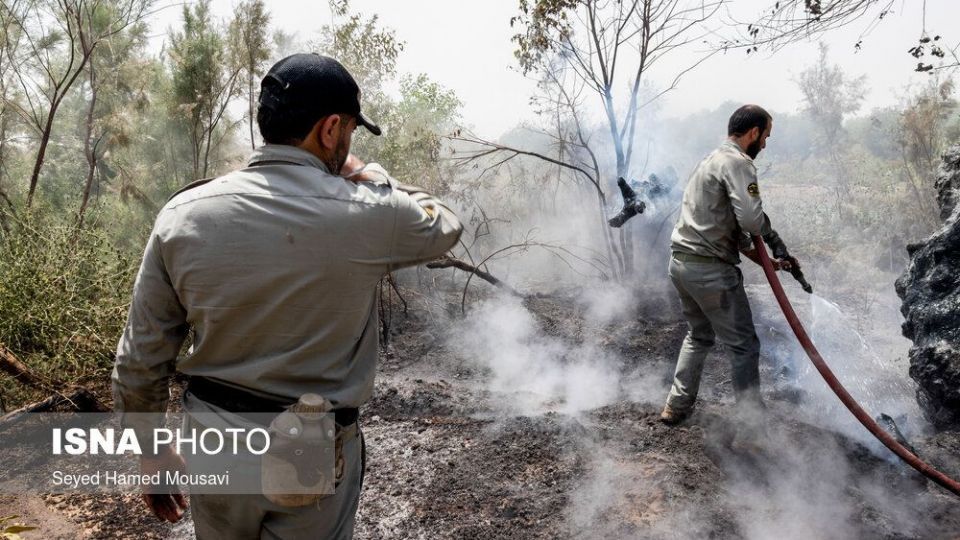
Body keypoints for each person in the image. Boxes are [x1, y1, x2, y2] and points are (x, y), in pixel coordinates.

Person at [112, 53, 463, 539]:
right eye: (349, 134)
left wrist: (152, 454)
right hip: (309, 446)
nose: (347, 144)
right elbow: (443, 221)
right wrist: (363, 172)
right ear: (330, 128)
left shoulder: (183, 213)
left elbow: (138, 361)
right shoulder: (366, 214)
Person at [660, 104, 797, 426]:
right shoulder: (739, 163)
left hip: (682, 264)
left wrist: (766, 262)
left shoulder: (709, 160)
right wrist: (770, 234)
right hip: (710, 273)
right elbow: (750, 219)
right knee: (744, 347)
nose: (764, 144)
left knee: (698, 336)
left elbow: (725, 226)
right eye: (765, 136)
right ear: (753, 133)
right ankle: (751, 429)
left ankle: (675, 407)